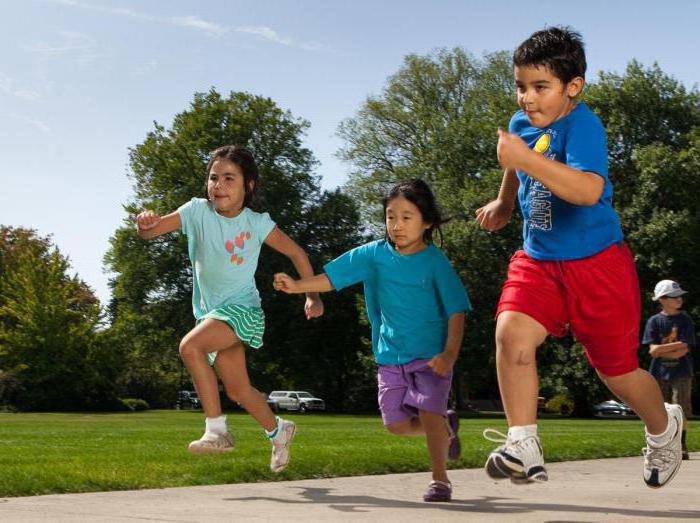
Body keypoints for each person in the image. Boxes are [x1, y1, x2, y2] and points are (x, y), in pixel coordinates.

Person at [475, 26, 683, 488]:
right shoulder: (520, 124)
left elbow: (588, 190)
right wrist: (505, 203)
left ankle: (663, 427)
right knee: (510, 334)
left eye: (540, 87)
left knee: (619, 373)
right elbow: (515, 163)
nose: (527, 98)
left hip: (598, 264)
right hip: (539, 259)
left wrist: (523, 160)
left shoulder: (583, 125)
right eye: (521, 85)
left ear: (573, 87)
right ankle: (522, 441)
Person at [273, 179, 471, 502]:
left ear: (428, 222)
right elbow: (332, 278)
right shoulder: (373, 256)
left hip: (431, 355)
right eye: (391, 216)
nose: (397, 225)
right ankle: (444, 428)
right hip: (390, 355)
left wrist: (450, 352)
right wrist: (297, 287)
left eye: (407, 217)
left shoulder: (435, 262)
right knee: (394, 423)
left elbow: (457, 309)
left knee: (430, 413)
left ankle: (440, 480)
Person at [136, 145, 323, 473]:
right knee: (238, 390)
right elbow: (150, 232)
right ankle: (279, 430)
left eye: (228, 178)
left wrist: (311, 295)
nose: (218, 185)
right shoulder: (196, 211)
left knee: (190, 347)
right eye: (213, 178)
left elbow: (297, 254)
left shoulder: (256, 223)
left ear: (248, 185)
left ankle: (216, 431)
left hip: (242, 309)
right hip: (211, 314)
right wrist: (145, 222)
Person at [643, 280, 695, 460]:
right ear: (661, 299)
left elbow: (684, 348)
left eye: (679, 296)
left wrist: (661, 349)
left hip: (681, 372)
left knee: (680, 409)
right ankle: (663, 445)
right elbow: (652, 351)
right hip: (659, 373)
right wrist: (672, 349)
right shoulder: (654, 321)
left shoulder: (685, 319)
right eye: (673, 296)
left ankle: (681, 445)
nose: (678, 299)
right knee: (659, 410)